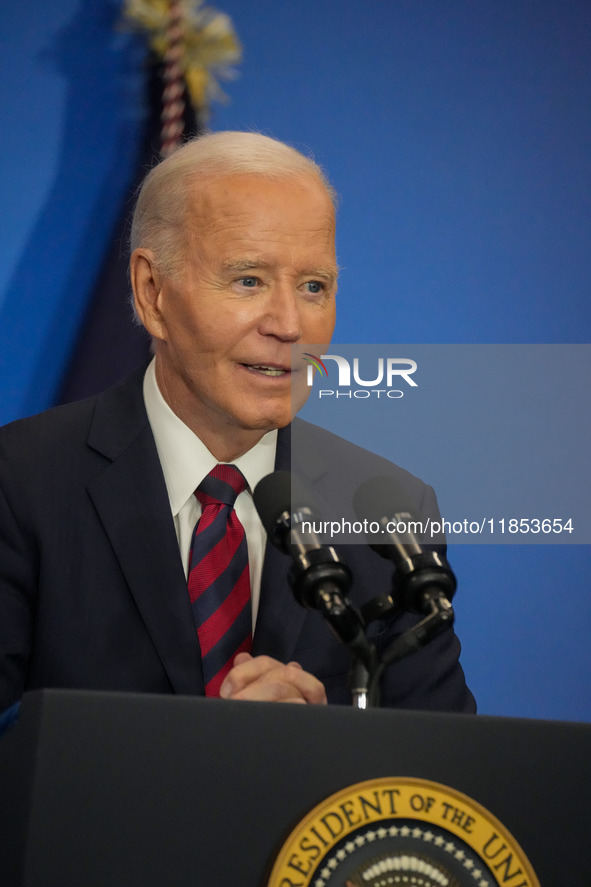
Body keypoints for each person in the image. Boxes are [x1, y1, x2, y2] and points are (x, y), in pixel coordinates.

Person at [0, 132, 475, 712]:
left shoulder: (386, 516)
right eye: (248, 280)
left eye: (313, 287)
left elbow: (437, 780)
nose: (289, 324)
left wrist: (322, 748)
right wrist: (210, 754)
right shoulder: (21, 482)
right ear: (152, 293)